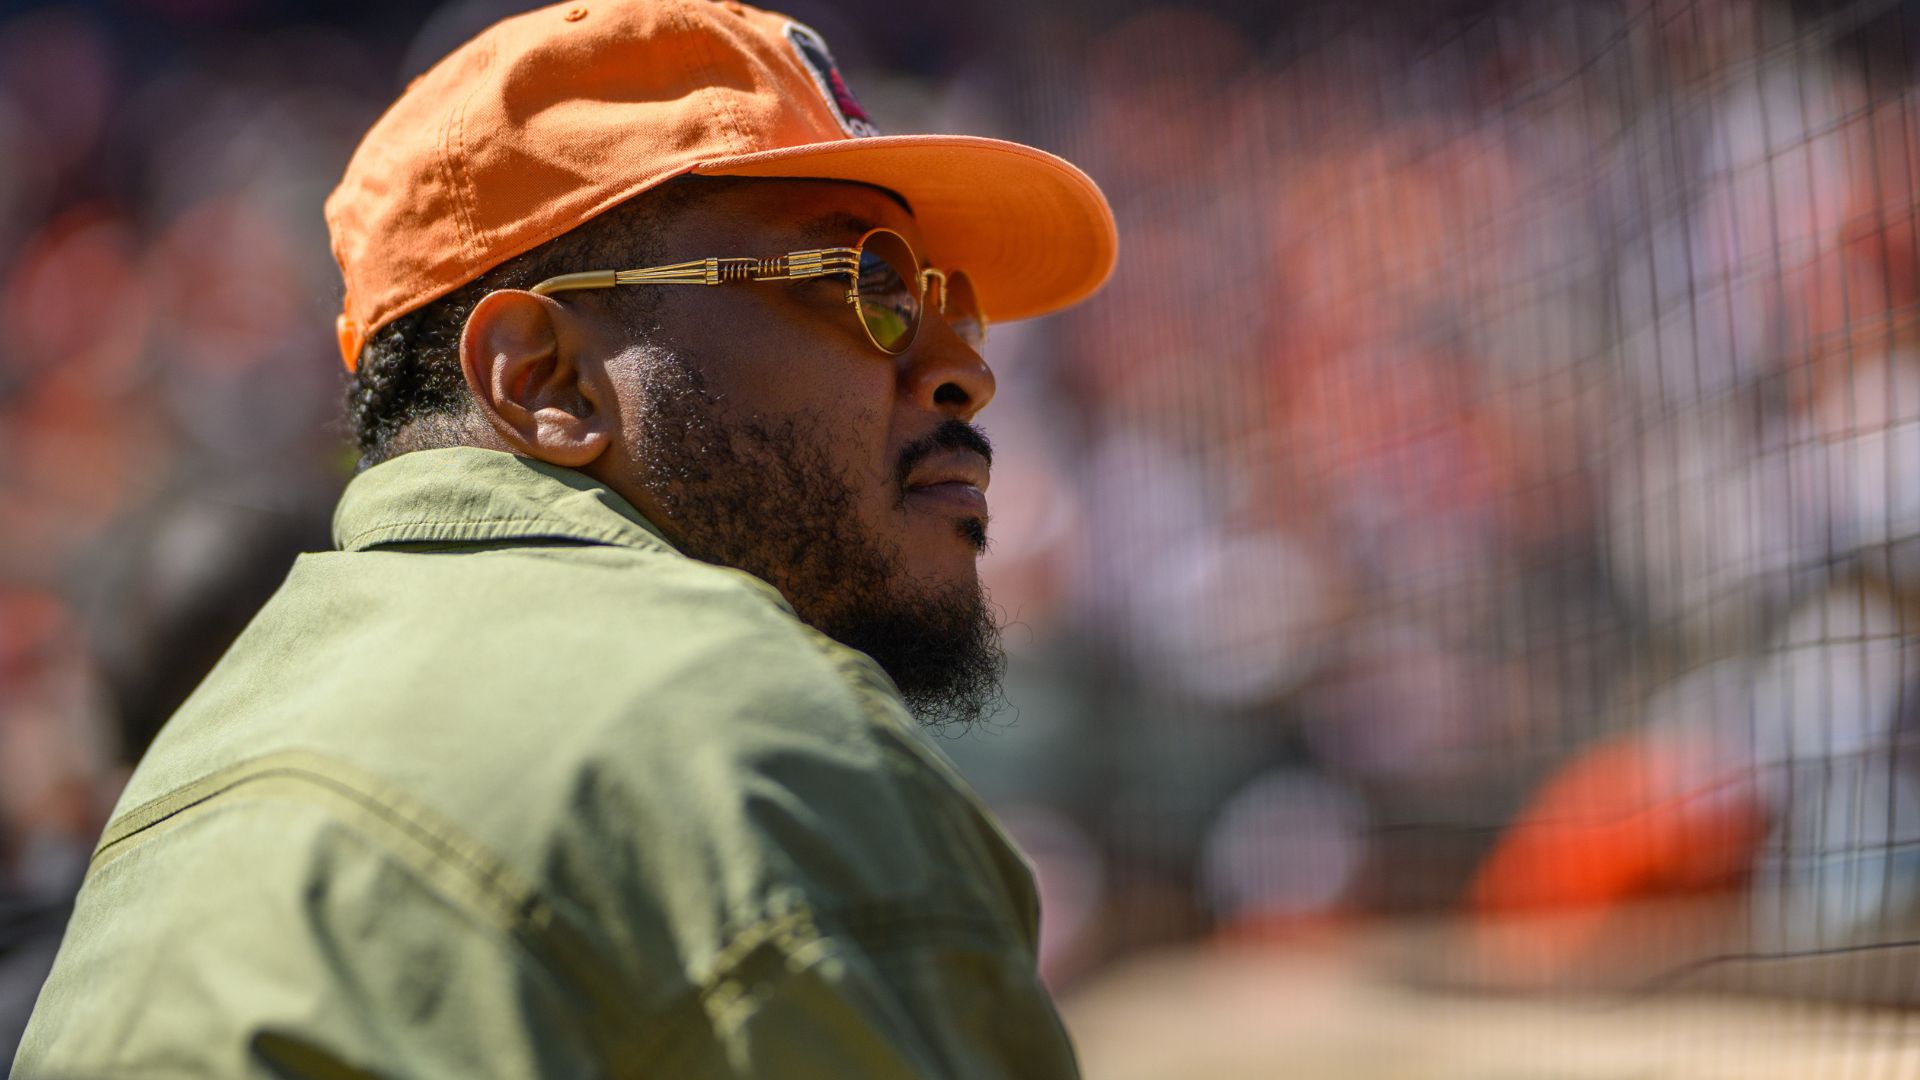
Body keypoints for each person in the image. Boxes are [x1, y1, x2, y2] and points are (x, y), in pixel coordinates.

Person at [10, 1, 1116, 1076]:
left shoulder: (185, 779)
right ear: (543, 380)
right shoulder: (740, 721)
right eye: (864, 281)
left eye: (946, 298)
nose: (964, 368)